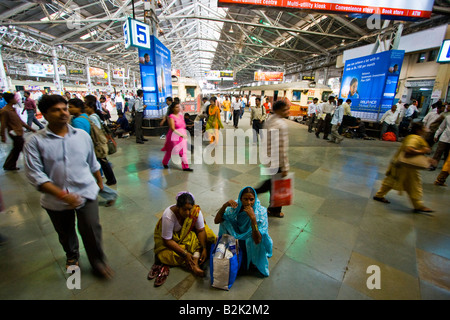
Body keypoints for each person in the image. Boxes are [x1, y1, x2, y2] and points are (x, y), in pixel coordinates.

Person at [23, 94, 114, 278]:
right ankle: (72, 256)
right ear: (45, 115)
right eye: (56, 110)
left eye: (64, 108)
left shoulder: (81, 136)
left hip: (85, 193)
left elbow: (92, 161)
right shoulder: (35, 142)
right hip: (55, 201)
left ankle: (98, 261)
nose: (63, 113)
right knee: (66, 233)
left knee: (91, 230)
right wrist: (63, 196)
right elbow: (35, 175)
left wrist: (99, 180)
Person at [151, 192, 217, 285]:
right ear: (178, 207)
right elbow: (167, 240)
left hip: (188, 232)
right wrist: (184, 254)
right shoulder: (168, 216)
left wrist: (205, 248)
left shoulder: (195, 211)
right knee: (165, 255)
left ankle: (195, 258)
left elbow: (200, 230)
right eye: (184, 209)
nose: (187, 213)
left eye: (189, 209)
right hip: (173, 237)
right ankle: (195, 263)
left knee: (210, 237)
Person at [373, 122, 434, 213]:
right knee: (414, 185)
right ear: (418, 130)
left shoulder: (411, 137)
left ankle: (379, 195)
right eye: (423, 128)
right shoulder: (414, 138)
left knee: (391, 180)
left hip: (400, 165)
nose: (425, 130)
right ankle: (418, 205)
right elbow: (409, 149)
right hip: (406, 166)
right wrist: (423, 150)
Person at [214, 187, 273, 277]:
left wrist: (253, 219)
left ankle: (252, 261)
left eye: (251, 199)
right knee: (225, 221)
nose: (248, 203)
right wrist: (224, 205)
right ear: (240, 199)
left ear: (255, 199)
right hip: (238, 236)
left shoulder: (261, 212)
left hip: (252, 239)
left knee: (257, 234)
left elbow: (258, 240)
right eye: (245, 199)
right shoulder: (235, 207)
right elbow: (217, 221)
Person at [254, 100, 290, 218]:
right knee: (277, 185)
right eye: (285, 109)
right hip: (277, 159)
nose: (288, 111)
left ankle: (258, 195)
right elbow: (281, 148)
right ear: (279, 110)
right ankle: (273, 210)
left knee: (272, 183)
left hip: (269, 157)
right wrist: (285, 166)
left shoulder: (270, 120)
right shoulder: (281, 124)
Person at [84, 95, 117, 186]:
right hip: (101, 141)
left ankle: (110, 179)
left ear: (92, 107)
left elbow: (97, 131)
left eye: (86, 107)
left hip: (98, 142)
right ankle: (110, 178)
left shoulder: (92, 117)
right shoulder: (96, 115)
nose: (85, 109)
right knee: (103, 160)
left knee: (103, 160)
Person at [1, 92, 36, 171]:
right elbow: (3, 124)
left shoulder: (12, 109)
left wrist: (31, 129)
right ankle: (32, 164)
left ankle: (9, 165)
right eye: (14, 98)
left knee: (16, 150)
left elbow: (20, 122)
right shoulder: (5, 111)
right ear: (10, 100)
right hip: (14, 133)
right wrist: (2, 136)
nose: (16, 100)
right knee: (23, 149)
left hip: (18, 132)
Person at [161, 101, 193, 171]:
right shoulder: (171, 117)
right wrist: (181, 134)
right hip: (174, 136)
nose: (178, 108)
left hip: (182, 136)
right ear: (172, 108)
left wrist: (184, 134)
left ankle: (185, 167)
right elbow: (172, 128)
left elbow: (183, 126)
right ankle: (164, 162)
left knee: (183, 152)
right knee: (170, 151)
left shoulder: (181, 115)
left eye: (179, 107)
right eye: (176, 107)